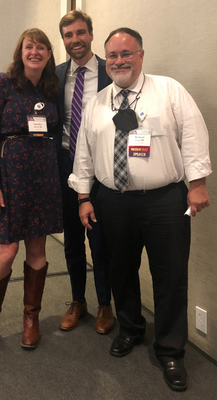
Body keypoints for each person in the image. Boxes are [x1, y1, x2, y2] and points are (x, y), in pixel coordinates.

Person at [68, 27, 212, 391]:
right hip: (112, 200)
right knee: (120, 268)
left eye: (126, 53)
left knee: (170, 274)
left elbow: (193, 135)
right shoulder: (98, 102)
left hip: (164, 199)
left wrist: (197, 184)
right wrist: (84, 196)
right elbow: (83, 154)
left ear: (141, 55)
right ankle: (130, 329)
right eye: (113, 55)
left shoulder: (168, 90)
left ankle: (170, 350)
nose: (119, 61)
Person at [0, 28, 62, 351]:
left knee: (38, 251)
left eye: (42, 47)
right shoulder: (2, 83)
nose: (35, 52)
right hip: (9, 179)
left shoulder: (51, 88)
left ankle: (31, 319)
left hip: (43, 179)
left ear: (49, 54)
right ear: (21, 51)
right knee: (7, 251)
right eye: (30, 46)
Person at [55, 10, 114, 334]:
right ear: (63, 40)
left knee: (100, 239)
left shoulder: (110, 71)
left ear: (91, 34)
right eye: (68, 35)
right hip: (65, 164)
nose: (75, 40)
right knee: (72, 239)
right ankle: (78, 300)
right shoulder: (57, 74)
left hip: (101, 167)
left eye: (80, 33)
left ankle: (105, 304)